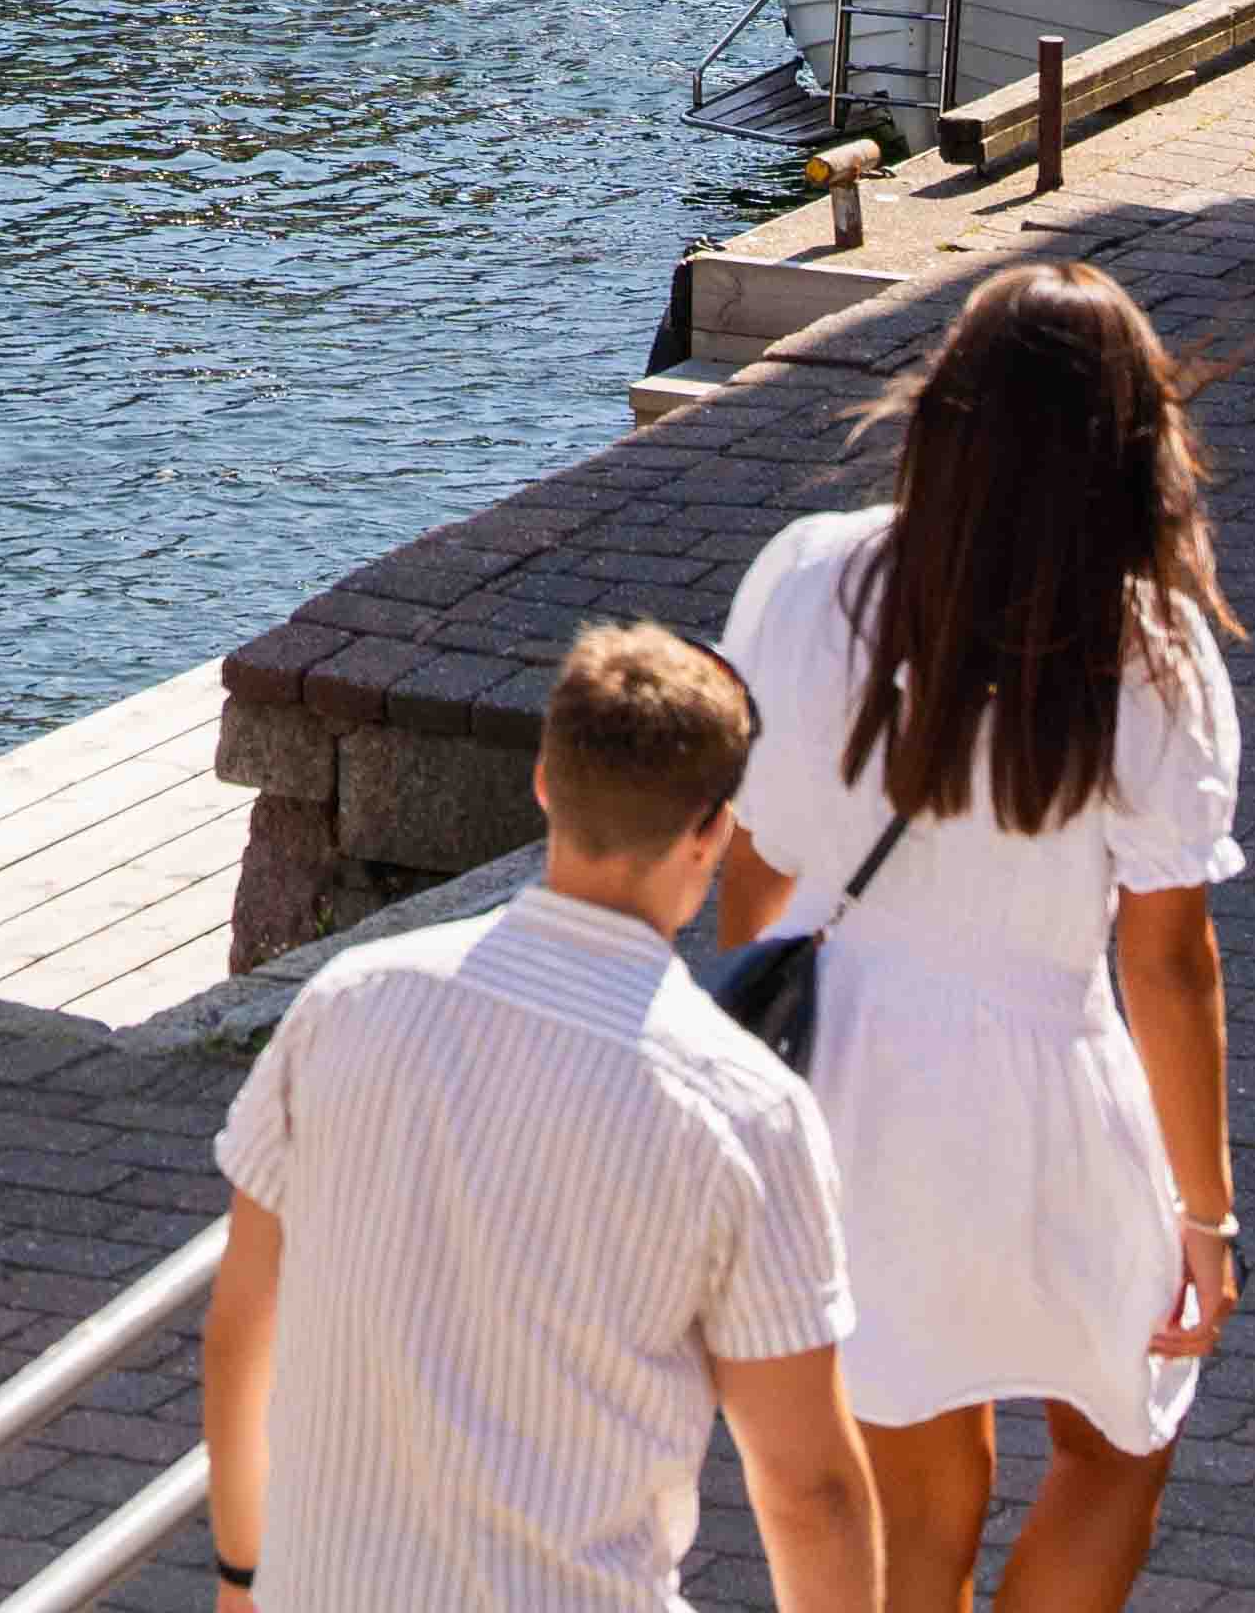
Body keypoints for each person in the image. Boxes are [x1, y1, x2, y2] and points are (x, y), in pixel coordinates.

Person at [709, 266, 1247, 1613]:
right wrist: (1206, 1212)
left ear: (941, 413)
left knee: (921, 1494)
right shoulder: (1151, 646)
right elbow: (1166, 961)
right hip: (1046, 1091)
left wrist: (757, 1081)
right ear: (1131, 452)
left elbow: (755, 861)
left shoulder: (813, 577)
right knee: (1120, 1440)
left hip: (846, 1091)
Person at [207, 621, 885, 1613]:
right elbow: (808, 1489)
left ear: (544, 785)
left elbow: (243, 1328)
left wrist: (242, 1577)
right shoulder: (744, 1111)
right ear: (712, 832)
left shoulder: (345, 1003)